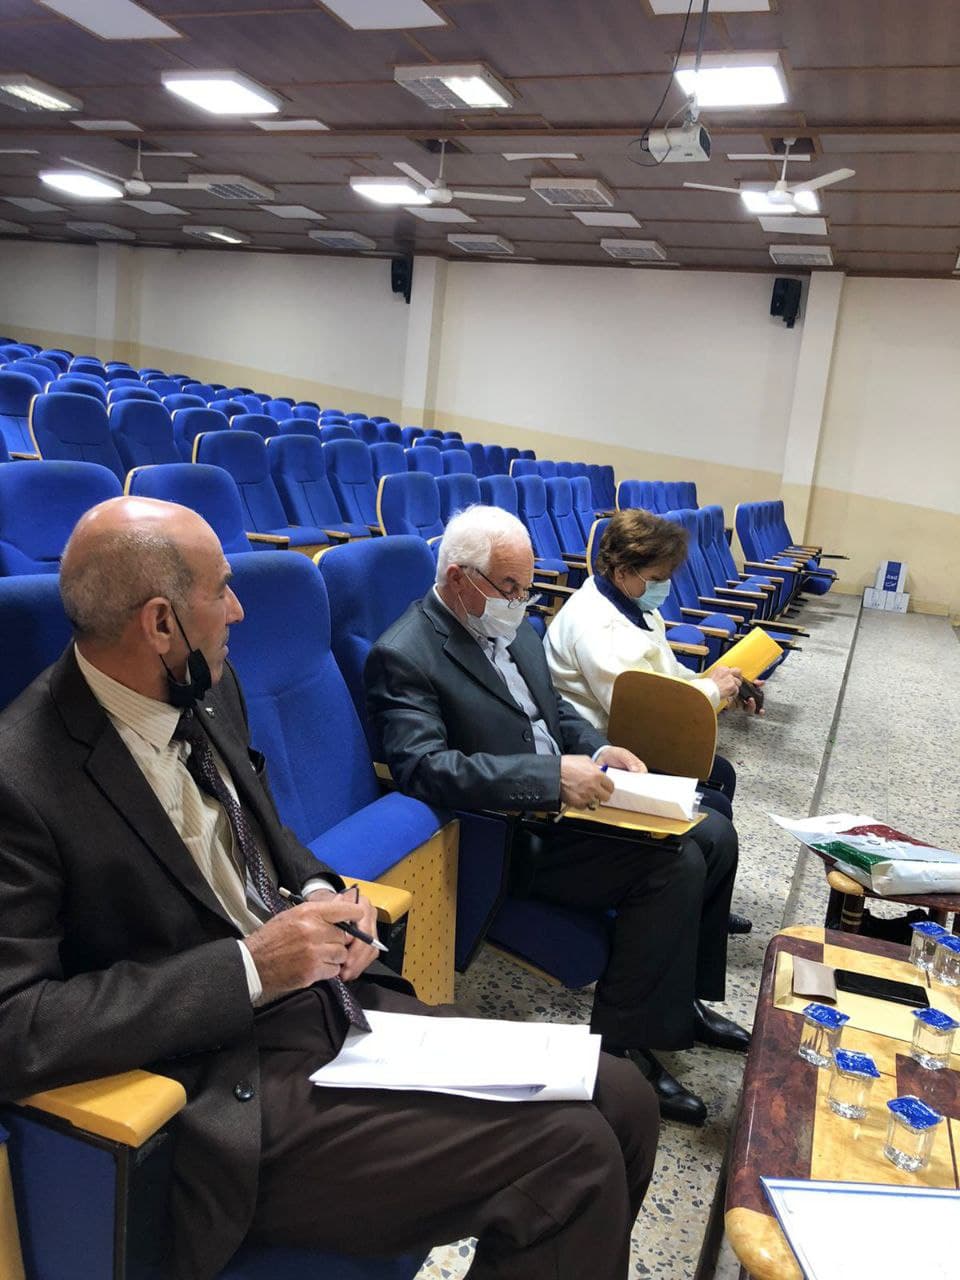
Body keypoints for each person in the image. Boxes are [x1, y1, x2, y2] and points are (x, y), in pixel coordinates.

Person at [0, 496, 660, 1280]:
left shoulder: (204, 686)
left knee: (623, 1095)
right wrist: (251, 969)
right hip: (216, 1082)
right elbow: (16, 1025)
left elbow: (263, 828)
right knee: (571, 1159)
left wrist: (318, 891)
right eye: (221, 589)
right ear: (161, 623)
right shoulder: (21, 777)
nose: (239, 610)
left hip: (322, 1008)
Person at [364, 505, 751, 1129]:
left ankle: (682, 1002)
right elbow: (422, 768)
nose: (520, 602)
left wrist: (598, 749)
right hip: (513, 831)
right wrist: (549, 779)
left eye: (526, 587)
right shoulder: (405, 654)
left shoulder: (513, 626)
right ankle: (621, 1052)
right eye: (509, 587)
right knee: (674, 863)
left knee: (714, 831)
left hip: (570, 803)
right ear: (459, 578)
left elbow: (554, 714)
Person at [544, 507, 764, 823]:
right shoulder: (599, 626)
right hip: (600, 746)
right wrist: (712, 690)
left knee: (722, 774)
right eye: (657, 579)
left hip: (630, 736)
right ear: (622, 571)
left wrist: (722, 682)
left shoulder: (633, 604)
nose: (665, 586)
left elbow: (667, 673)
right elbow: (642, 713)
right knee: (714, 809)